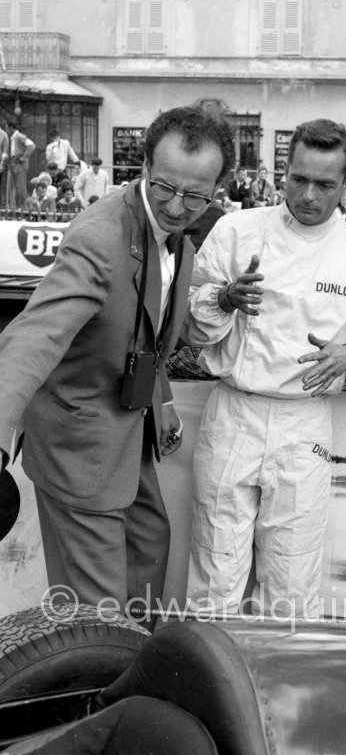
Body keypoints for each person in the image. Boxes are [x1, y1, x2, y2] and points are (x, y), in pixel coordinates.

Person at [0, 105, 235, 618]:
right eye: (164, 187)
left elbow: (143, 328)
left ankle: (128, 677)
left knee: (150, 551)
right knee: (96, 613)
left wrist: (162, 395)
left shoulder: (181, 235)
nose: (177, 207)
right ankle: (93, 691)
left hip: (129, 435)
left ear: (219, 185)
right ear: (143, 169)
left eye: (196, 194)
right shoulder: (100, 238)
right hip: (79, 445)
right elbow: (34, 335)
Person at [181, 118, 346, 619]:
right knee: (214, 572)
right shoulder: (237, 229)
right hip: (234, 413)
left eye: (325, 184)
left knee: (291, 579)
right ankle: (203, 689)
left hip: (304, 422)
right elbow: (192, 324)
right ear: (282, 172)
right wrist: (223, 299)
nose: (308, 195)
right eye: (298, 179)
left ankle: (282, 692)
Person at [5, 121, 35, 209]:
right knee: (16, 187)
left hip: (19, 163)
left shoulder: (19, 136)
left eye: (6, 128)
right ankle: (16, 207)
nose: (6, 130)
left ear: (11, 128)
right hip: (14, 162)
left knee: (20, 187)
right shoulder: (13, 138)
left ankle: (22, 208)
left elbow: (32, 145)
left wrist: (24, 157)